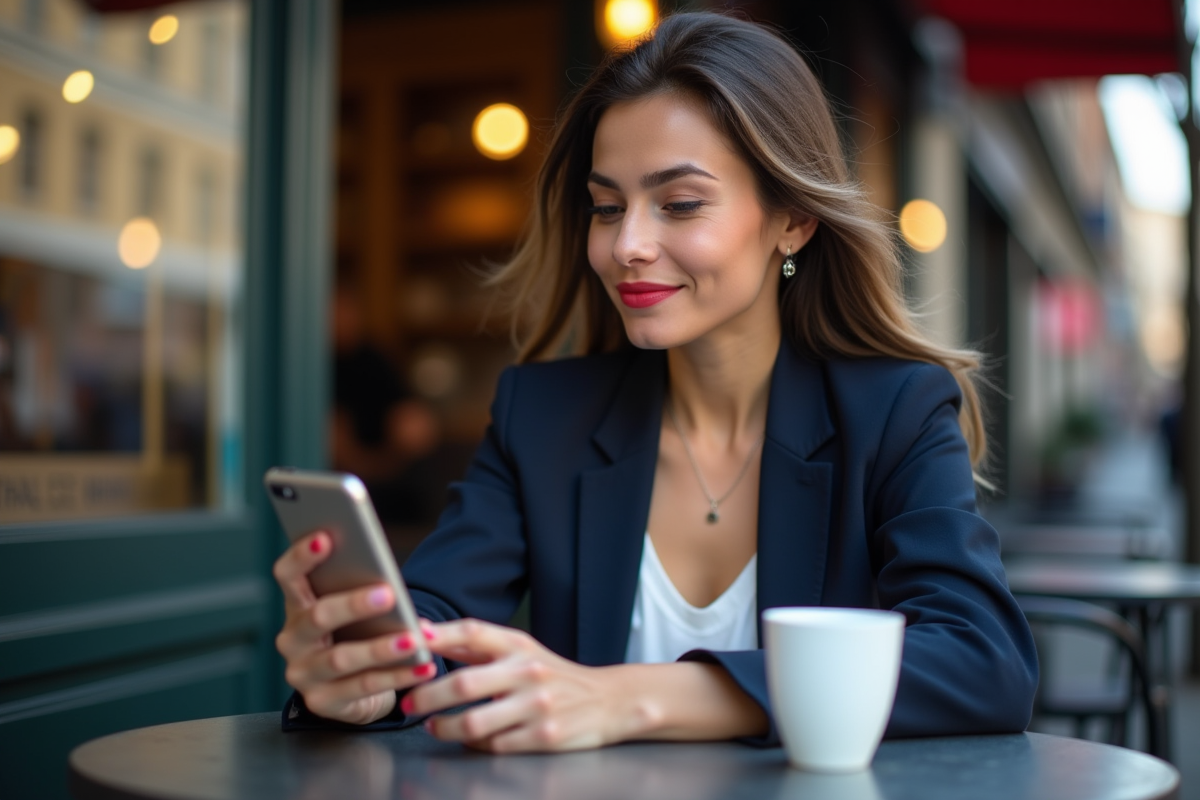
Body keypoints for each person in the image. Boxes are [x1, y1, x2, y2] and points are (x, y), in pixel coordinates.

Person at [272, 11, 1038, 752]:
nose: (627, 245)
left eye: (679, 204)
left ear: (792, 221)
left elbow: (984, 662)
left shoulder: (893, 410)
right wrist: (370, 682)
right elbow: (436, 623)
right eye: (607, 208)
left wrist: (632, 698)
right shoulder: (544, 416)